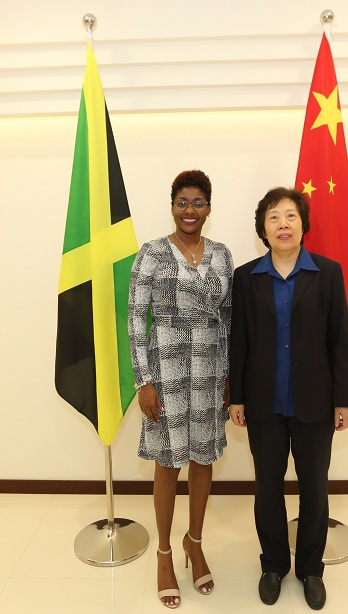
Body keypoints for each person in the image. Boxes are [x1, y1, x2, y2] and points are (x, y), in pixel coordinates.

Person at [228, 186, 348, 610]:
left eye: (290, 216)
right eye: (273, 217)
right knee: (267, 488)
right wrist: (237, 397)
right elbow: (239, 342)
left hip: (315, 403)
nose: (282, 224)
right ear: (263, 229)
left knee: (314, 488)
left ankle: (311, 570)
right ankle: (273, 565)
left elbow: (339, 340)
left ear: (303, 225)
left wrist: (344, 399)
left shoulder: (328, 272)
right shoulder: (246, 277)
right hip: (263, 403)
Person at [128, 169, 233, 609]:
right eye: (182, 202)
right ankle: (165, 553)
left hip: (210, 369)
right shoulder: (151, 253)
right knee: (169, 463)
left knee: (203, 458)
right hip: (166, 371)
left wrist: (230, 377)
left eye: (198, 202)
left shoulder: (222, 255)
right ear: (172, 206)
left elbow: (228, 320)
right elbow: (136, 320)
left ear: (209, 208)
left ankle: (195, 542)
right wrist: (144, 381)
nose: (190, 210)